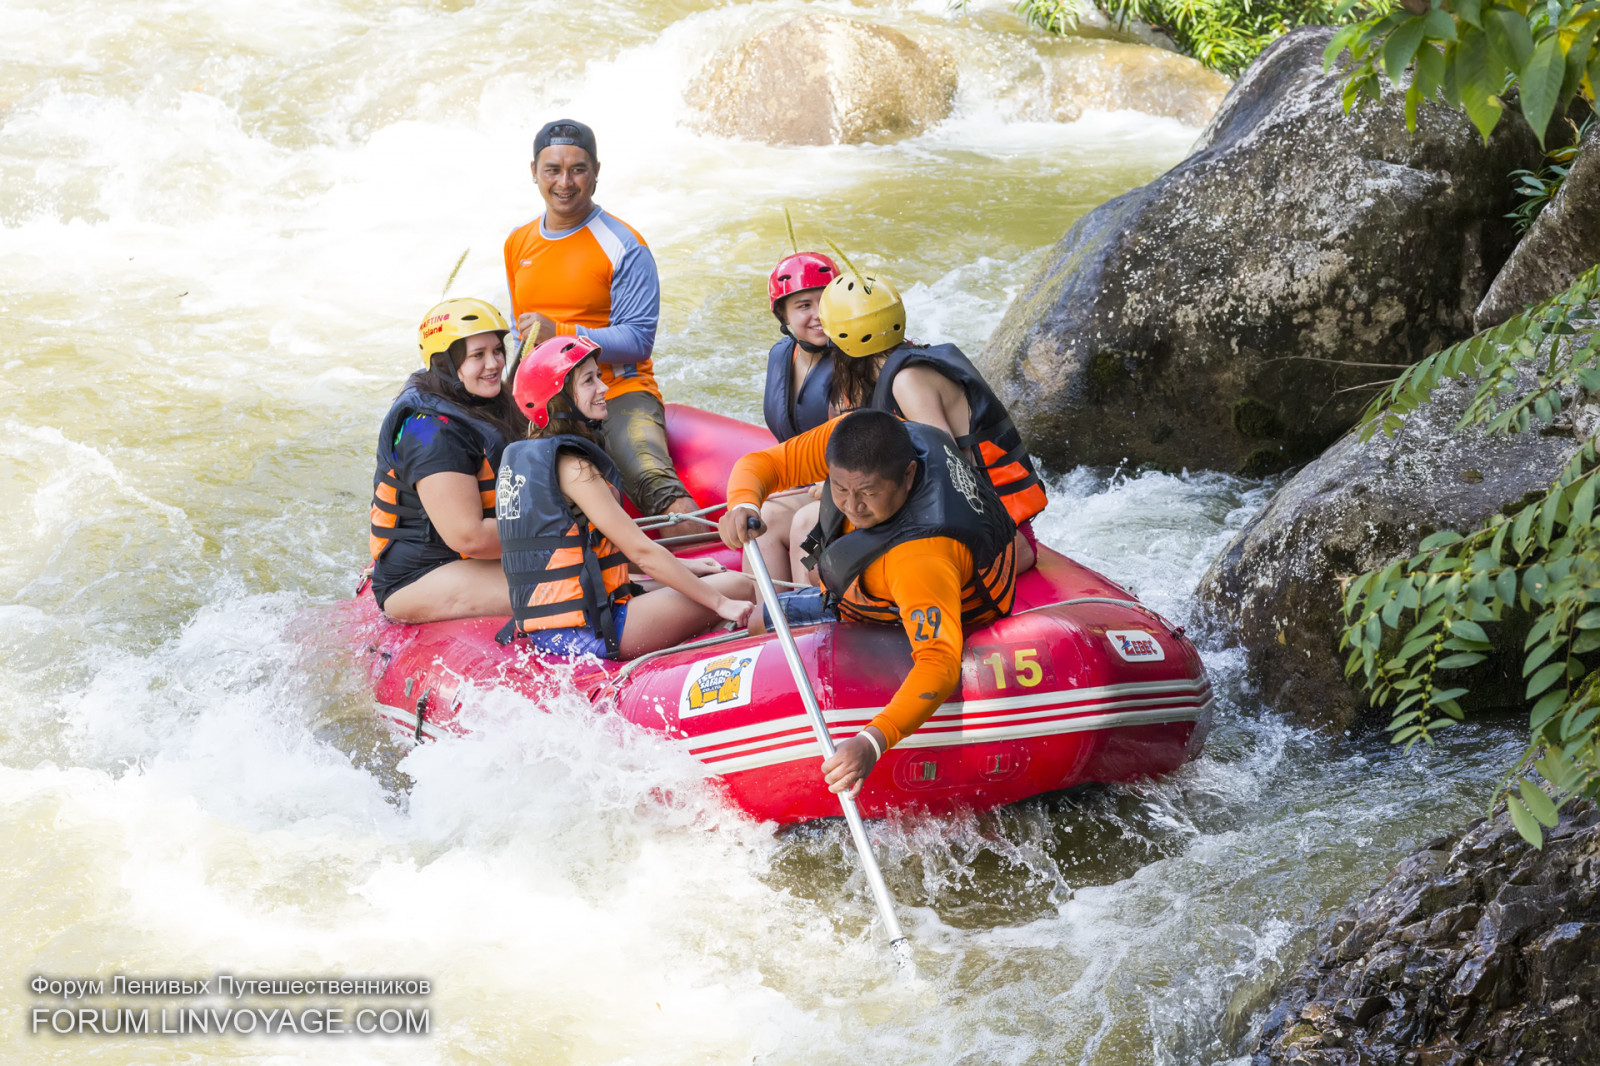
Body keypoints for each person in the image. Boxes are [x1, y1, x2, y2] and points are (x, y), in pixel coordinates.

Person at [717, 409, 1017, 797]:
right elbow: (762, 463)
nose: (851, 506)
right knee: (759, 617)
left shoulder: (921, 560)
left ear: (908, 476)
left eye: (868, 493)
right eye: (840, 488)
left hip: (902, 612)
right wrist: (743, 503)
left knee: (763, 620)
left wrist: (874, 741)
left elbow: (940, 663)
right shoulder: (855, 442)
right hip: (862, 588)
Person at [497, 335, 756, 659]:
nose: (603, 388)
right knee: (739, 586)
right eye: (589, 380)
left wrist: (685, 566)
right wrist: (722, 604)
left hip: (558, 630)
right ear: (557, 398)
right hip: (588, 634)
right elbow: (641, 551)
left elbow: (597, 549)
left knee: (706, 584)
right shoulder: (575, 468)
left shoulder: (527, 461)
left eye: (599, 377)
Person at [503, 118, 698, 533]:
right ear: (533, 172)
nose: (565, 182)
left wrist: (563, 335)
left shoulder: (624, 245)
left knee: (653, 485)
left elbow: (638, 339)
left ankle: (719, 571)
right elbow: (526, 339)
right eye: (552, 169)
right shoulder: (518, 243)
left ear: (596, 172)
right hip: (547, 402)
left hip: (618, 392)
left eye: (578, 169)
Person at [818, 264, 1049, 574]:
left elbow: (944, 473)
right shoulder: (900, 369)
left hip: (1003, 542)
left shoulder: (907, 381)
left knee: (820, 530)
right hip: (988, 532)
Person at [369, 298, 527, 623]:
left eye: (497, 350)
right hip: (422, 573)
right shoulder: (430, 430)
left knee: (604, 564)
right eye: (477, 355)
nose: (494, 363)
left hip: (470, 557)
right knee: (571, 589)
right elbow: (469, 537)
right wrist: (560, 529)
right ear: (445, 362)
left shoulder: (485, 399)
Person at [754, 250, 840, 580]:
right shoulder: (781, 356)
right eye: (804, 305)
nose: (819, 314)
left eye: (825, 301)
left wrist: (835, 482)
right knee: (764, 519)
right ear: (784, 316)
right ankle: (769, 617)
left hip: (855, 488)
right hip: (812, 483)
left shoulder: (854, 359)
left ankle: (811, 619)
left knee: (806, 525)